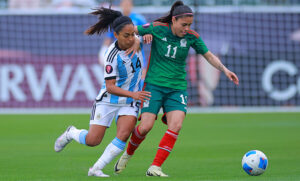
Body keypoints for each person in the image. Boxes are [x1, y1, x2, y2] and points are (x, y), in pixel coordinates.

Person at [114, 0, 239, 177]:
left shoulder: (191, 37)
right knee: (145, 126)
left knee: (176, 125)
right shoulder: (157, 28)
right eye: (184, 24)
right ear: (173, 20)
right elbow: (130, 30)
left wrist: (225, 70)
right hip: (154, 86)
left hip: (177, 88)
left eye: (189, 25)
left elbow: (208, 55)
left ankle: (155, 167)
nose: (187, 28)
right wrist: (138, 39)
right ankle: (127, 155)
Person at [54, 7, 151, 177]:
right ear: (116, 36)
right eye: (126, 36)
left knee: (124, 133)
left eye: (132, 34)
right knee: (93, 141)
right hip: (109, 100)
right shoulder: (111, 56)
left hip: (130, 101)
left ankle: (96, 168)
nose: (130, 39)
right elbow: (110, 87)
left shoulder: (136, 40)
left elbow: (154, 29)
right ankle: (71, 133)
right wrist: (134, 94)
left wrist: (139, 38)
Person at [98, 0, 148, 79]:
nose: (126, 6)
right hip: (120, 56)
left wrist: (138, 40)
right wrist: (103, 51)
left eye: (128, 4)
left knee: (141, 80)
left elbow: (146, 35)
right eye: (124, 4)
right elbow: (109, 37)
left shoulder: (139, 19)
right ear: (121, 5)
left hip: (136, 54)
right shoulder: (116, 20)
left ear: (132, 5)